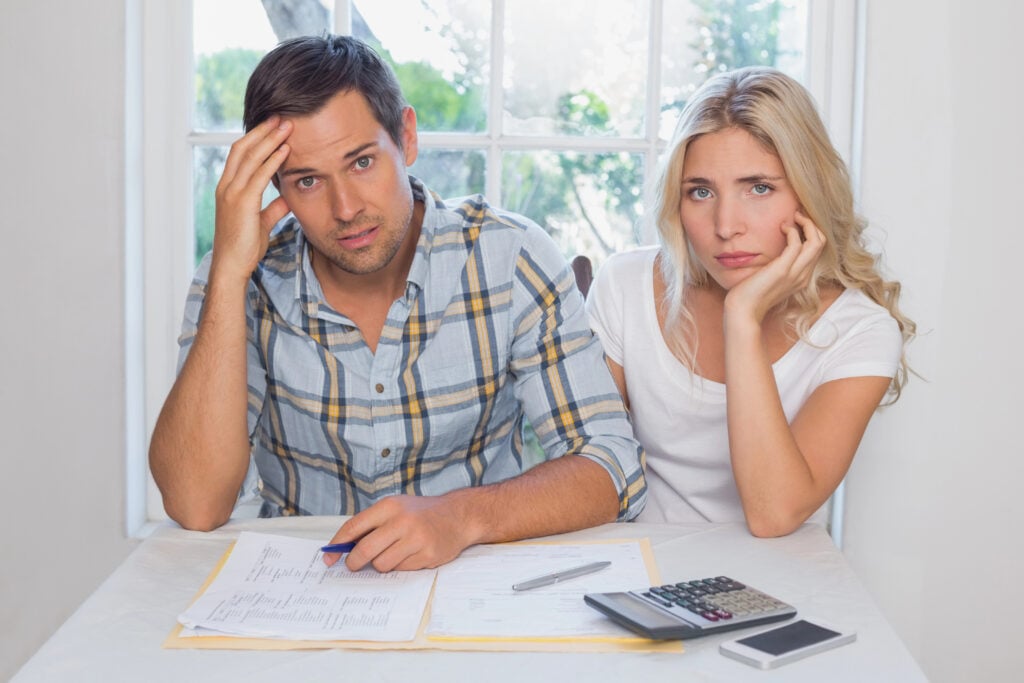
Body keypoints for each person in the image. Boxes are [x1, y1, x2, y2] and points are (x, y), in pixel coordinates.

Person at [148, 34, 646, 572]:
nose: (345, 209)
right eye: (308, 181)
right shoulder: (240, 277)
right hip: (302, 592)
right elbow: (195, 505)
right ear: (275, 188)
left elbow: (612, 465)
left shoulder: (511, 256)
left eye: (362, 163)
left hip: (473, 581)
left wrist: (459, 517)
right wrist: (227, 276)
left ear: (405, 137)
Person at [586, 66, 914, 537]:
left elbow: (773, 513)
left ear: (809, 191)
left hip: (776, 581)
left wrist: (741, 317)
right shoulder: (626, 284)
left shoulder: (860, 331)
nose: (725, 225)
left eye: (759, 188)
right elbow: (589, 464)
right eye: (700, 192)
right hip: (636, 565)